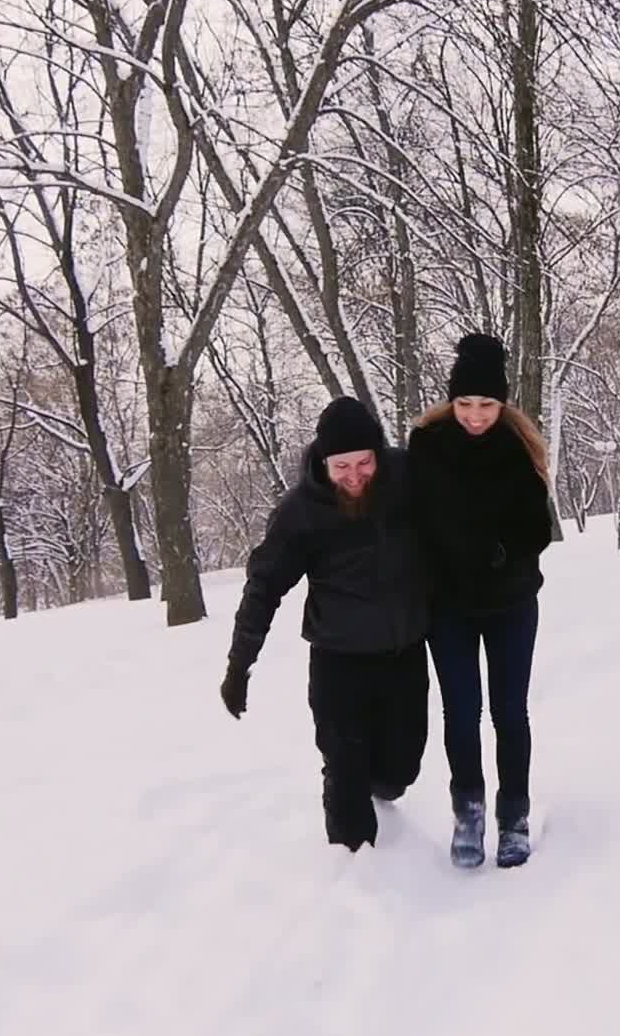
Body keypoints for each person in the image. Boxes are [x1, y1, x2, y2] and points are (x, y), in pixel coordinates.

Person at [220, 396, 429, 852]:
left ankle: (381, 783)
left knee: (399, 772)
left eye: (363, 463)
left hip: (404, 654)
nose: (354, 476)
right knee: (344, 766)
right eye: (342, 467)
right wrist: (240, 666)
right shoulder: (302, 512)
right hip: (338, 661)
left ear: (377, 453)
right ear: (324, 461)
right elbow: (263, 588)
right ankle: (351, 874)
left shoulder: (408, 479)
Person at [408, 334, 553, 868]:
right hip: (448, 605)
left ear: (502, 403)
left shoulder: (517, 448)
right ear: (451, 400)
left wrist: (498, 551)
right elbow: (412, 520)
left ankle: (512, 817)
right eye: (465, 403)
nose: (475, 415)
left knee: (509, 711)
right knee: (460, 712)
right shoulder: (426, 445)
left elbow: (538, 529)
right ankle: (467, 811)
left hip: (510, 602)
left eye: (486, 405)